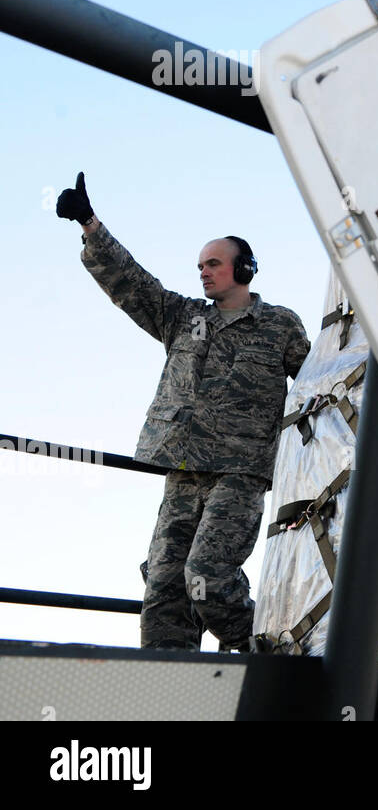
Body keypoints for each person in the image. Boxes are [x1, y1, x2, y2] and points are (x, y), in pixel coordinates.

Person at [55, 172, 311, 652]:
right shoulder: (182, 318)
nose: (204, 272)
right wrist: (90, 225)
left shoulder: (279, 325)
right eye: (200, 266)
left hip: (239, 472)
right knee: (166, 586)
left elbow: (317, 386)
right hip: (184, 466)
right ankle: (167, 687)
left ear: (245, 269)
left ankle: (269, 653)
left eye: (213, 264)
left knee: (208, 575)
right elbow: (132, 283)